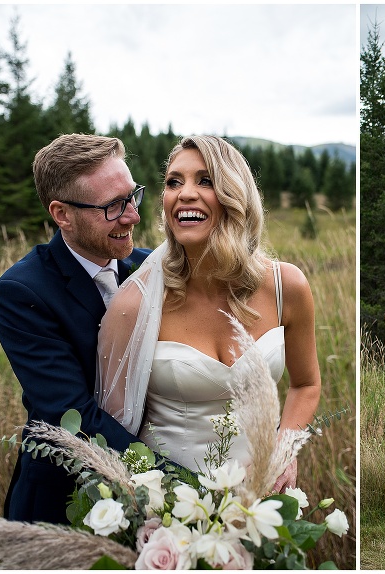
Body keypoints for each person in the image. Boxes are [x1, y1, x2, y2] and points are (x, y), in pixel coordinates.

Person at [96, 135, 321, 491]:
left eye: (206, 180)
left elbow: (306, 384)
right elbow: (110, 426)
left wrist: (285, 448)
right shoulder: (133, 304)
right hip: (168, 505)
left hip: (260, 497)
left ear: (235, 195)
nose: (184, 193)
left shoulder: (286, 286)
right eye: (173, 182)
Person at [0, 134, 150, 524]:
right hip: (64, 503)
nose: (132, 216)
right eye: (113, 206)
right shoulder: (22, 292)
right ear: (62, 214)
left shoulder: (152, 270)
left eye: (132, 196)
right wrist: (179, 482)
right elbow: (73, 416)